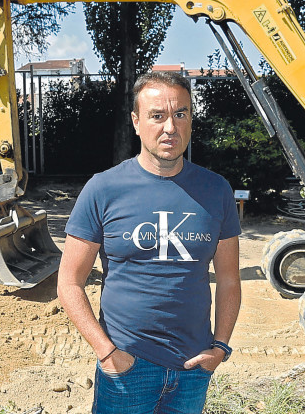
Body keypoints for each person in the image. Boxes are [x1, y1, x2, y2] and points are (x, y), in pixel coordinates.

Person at [57, 71, 242, 413]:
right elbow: (69, 281)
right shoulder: (103, 189)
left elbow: (229, 279)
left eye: (181, 114)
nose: (170, 127)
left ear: (190, 119)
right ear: (136, 122)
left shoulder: (216, 190)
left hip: (193, 368)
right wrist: (107, 352)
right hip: (127, 367)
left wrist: (221, 347)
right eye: (157, 116)